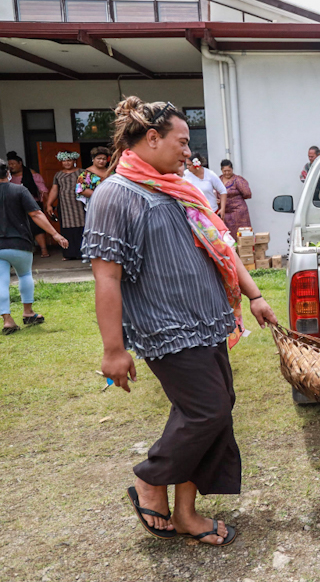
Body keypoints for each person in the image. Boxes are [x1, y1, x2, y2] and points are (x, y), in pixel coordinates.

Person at [83, 96, 278, 546]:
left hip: (207, 321)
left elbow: (220, 246)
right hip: (167, 330)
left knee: (212, 411)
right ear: (152, 138)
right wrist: (113, 349)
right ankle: (151, 479)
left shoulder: (176, 188)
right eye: (182, 141)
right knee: (207, 411)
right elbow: (107, 277)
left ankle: (187, 513)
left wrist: (255, 295)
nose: (189, 152)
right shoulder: (116, 194)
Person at [1, 156, 69, 334]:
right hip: (19, 243)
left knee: (1, 282)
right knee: (24, 275)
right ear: (7, 173)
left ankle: (7, 321)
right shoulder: (19, 190)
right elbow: (36, 214)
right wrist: (55, 234)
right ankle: (28, 313)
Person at [6, 151, 50, 258]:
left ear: (20, 163)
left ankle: (44, 249)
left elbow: (43, 190)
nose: (11, 166)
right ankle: (28, 249)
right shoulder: (7, 177)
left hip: (32, 203)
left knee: (37, 227)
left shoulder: (31, 174)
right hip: (15, 206)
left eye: (13, 164)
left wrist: (48, 203)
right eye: (9, 164)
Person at [45, 151, 86, 260]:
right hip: (65, 206)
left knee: (82, 227)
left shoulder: (82, 172)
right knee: (67, 229)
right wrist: (49, 204)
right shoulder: (58, 175)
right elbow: (54, 189)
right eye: (64, 161)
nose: (67, 163)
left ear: (74, 161)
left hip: (80, 205)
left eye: (69, 160)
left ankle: (83, 253)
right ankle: (69, 254)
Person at [218, 159, 252, 237]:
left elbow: (247, 193)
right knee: (227, 234)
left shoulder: (238, 180)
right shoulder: (218, 180)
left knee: (241, 233)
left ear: (232, 169)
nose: (227, 173)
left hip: (238, 212)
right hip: (224, 212)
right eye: (224, 171)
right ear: (221, 170)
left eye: (229, 171)